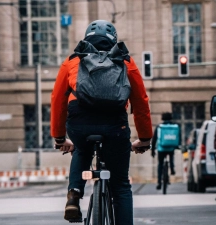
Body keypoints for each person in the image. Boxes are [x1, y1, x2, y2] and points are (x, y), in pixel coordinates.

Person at [50, 20, 152, 225]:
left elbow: (58, 100)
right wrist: (144, 138)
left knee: (81, 148)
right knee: (121, 185)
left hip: (79, 123)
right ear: (113, 40)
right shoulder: (125, 62)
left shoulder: (72, 61)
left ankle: (74, 193)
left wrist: (60, 136)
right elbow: (140, 103)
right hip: (115, 127)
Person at [151, 112, 181, 190]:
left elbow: (154, 139)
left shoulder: (159, 127)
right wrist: (178, 146)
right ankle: (172, 168)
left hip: (161, 148)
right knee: (171, 156)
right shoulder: (175, 126)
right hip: (171, 147)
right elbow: (178, 137)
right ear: (171, 118)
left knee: (160, 164)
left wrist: (153, 150)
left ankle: (159, 182)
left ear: (162, 118)